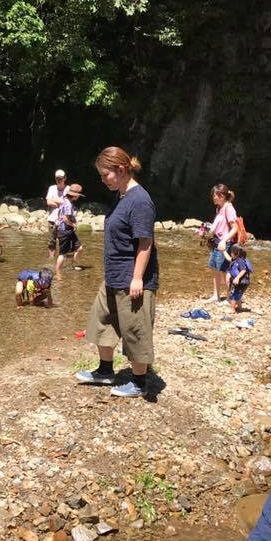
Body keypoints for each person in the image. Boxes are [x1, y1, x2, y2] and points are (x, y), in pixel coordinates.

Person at [74, 147, 159, 400]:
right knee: (102, 321)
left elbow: (145, 243)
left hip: (132, 278)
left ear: (121, 170)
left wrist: (137, 278)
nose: (101, 180)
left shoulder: (140, 200)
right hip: (113, 275)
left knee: (135, 329)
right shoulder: (121, 196)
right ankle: (105, 370)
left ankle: (139, 381)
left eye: (104, 174)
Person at [206, 184, 239, 302]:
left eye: (214, 195)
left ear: (221, 196)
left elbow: (235, 228)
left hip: (225, 244)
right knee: (214, 268)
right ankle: (216, 296)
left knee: (225, 271)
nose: (213, 197)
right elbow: (220, 226)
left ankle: (231, 298)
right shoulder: (219, 208)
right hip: (216, 242)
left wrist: (224, 241)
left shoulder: (228, 208)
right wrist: (206, 231)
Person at [55, 183, 85, 275]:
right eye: (78, 196)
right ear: (75, 196)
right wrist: (74, 225)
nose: (78, 197)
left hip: (68, 231)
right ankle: (58, 273)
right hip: (65, 231)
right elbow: (65, 218)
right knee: (62, 254)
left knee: (79, 248)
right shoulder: (68, 204)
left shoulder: (64, 200)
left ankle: (74, 265)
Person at [45, 169, 69, 259]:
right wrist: (61, 202)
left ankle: (63, 259)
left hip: (64, 220)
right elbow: (48, 202)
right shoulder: (51, 188)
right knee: (51, 241)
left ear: (65, 178)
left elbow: (67, 204)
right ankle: (51, 259)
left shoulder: (68, 189)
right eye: (57, 178)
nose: (59, 180)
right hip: (52, 219)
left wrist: (54, 200)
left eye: (61, 178)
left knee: (64, 241)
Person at [224, 243, 252, 313]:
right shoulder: (237, 260)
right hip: (244, 282)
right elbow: (228, 258)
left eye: (231, 252)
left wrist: (237, 278)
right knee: (238, 294)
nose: (230, 253)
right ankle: (239, 307)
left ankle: (232, 309)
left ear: (237, 253)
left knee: (233, 295)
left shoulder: (240, 261)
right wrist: (223, 251)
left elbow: (243, 270)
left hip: (241, 282)